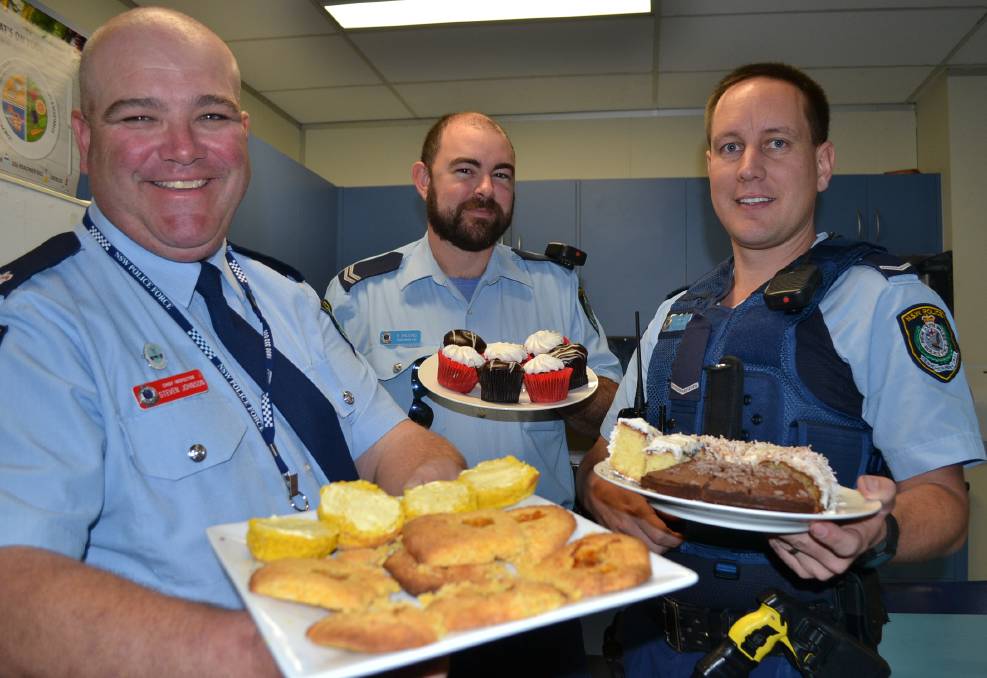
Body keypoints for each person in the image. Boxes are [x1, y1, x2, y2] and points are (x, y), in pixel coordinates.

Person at [0, 8, 464, 676]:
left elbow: (392, 444)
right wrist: (270, 652)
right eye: (139, 117)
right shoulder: (42, 325)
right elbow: (14, 590)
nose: (183, 147)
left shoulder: (287, 297)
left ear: (241, 134)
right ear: (83, 137)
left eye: (211, 115)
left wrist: (437, 511)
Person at [576, 62, 984, 676]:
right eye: (729, 147)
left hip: (796, 655)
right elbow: (602, 459)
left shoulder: (886, 302)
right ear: (708, 164)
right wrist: (603, 493)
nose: (749, 169)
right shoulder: (673, 315)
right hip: (649, 649)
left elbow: (946, 505)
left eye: (776, 142)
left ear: (822, 164)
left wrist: (877, 531)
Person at [324, 111, 622, 509]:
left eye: (502, 175)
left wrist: (559, 378)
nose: (485, 189)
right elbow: (324, 431)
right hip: (412, 533)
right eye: (465, 170)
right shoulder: (359, 296)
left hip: (535, 533)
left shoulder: (556, 286)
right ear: (424, 180)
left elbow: (613, 419)